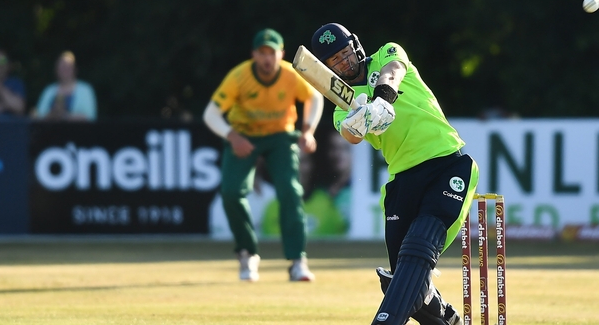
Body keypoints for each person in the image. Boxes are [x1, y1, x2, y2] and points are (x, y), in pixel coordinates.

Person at [309, 23, 479, 325]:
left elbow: (393, 72)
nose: (344, 63)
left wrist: (382, 100)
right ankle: (450, 320)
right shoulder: (341, 106)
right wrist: (357, 121)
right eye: (334, 61)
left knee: (419, 246)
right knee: (401, 281)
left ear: (356, 46)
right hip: (403, 181)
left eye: (345, 53)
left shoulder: (386, 52)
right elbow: (350, 135)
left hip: (446, 163)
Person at [203, 28, 324, 282]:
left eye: (272, 53)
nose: (267, 59)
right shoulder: (239, 76)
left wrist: (308, 130)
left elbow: (314, 96)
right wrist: (232, 136)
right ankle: (247, 254)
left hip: (280, 136)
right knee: (231, 193)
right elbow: (211, 114)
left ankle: (297, 261)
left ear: (282, 54)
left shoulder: (292, 74)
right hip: (244, 136)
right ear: (254, 55)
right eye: (262, 53)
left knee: (290, 192)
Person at [34, 51, 97, 121]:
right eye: (62, 67)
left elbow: (90, 117)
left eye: (68, 67)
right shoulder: (49, 90)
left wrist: (64, 115)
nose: (64, 70)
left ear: (75, 69)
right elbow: (38, 116)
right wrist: (53, 114)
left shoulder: (85, 90)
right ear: (56, 70)